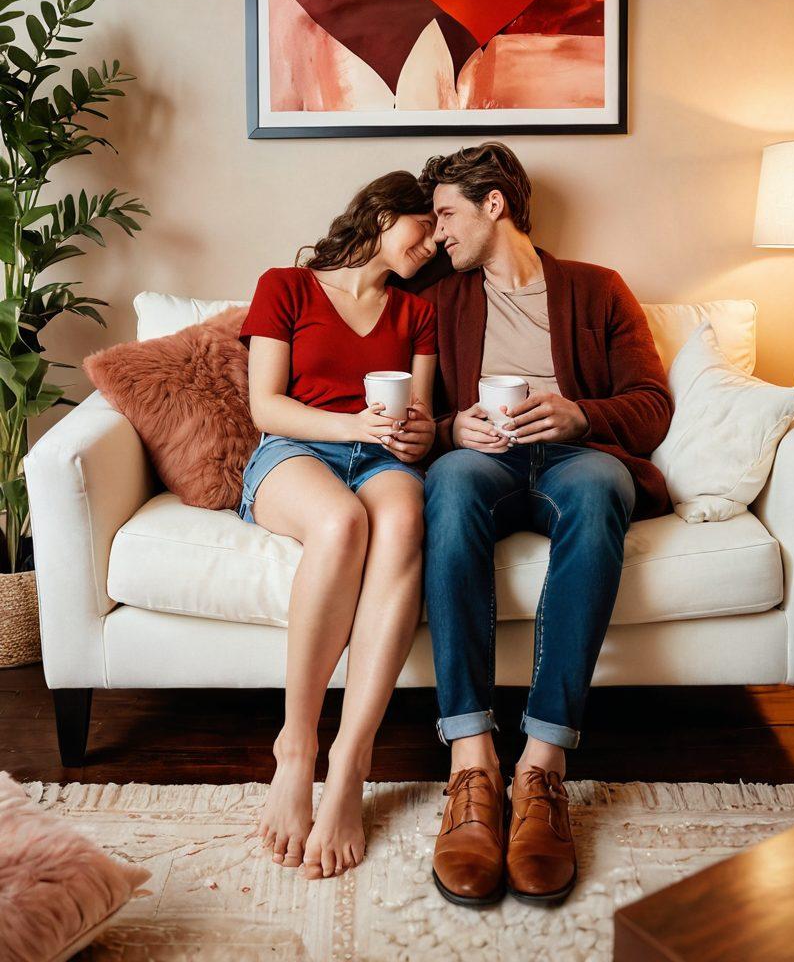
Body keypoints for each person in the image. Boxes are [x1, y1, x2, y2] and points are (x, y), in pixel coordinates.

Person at [413, 141, 674, 908]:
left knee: (600, 482)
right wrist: (451, 429)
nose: (438, 233)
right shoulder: (435, 297)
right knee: (453, 483)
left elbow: (651, 404)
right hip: (483, 463)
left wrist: (577, 414)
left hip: (572, 457)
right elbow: (405, 411)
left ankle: (542, 769)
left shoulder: (598, 289)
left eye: (447, 213)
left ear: (495, 205)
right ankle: (472, 764)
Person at [236, 170, 438, 880]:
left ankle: (351, 763)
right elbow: (266, 406)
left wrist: (418, 436)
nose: (436, 239)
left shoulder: (417, 311)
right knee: (342, 522)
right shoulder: (285, 287)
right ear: (384, 215)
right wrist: (349, 422)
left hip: (379, 457)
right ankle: (296, 747)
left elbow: (422, 415)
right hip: (294, 450)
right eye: (426, 225)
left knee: (407, 517)